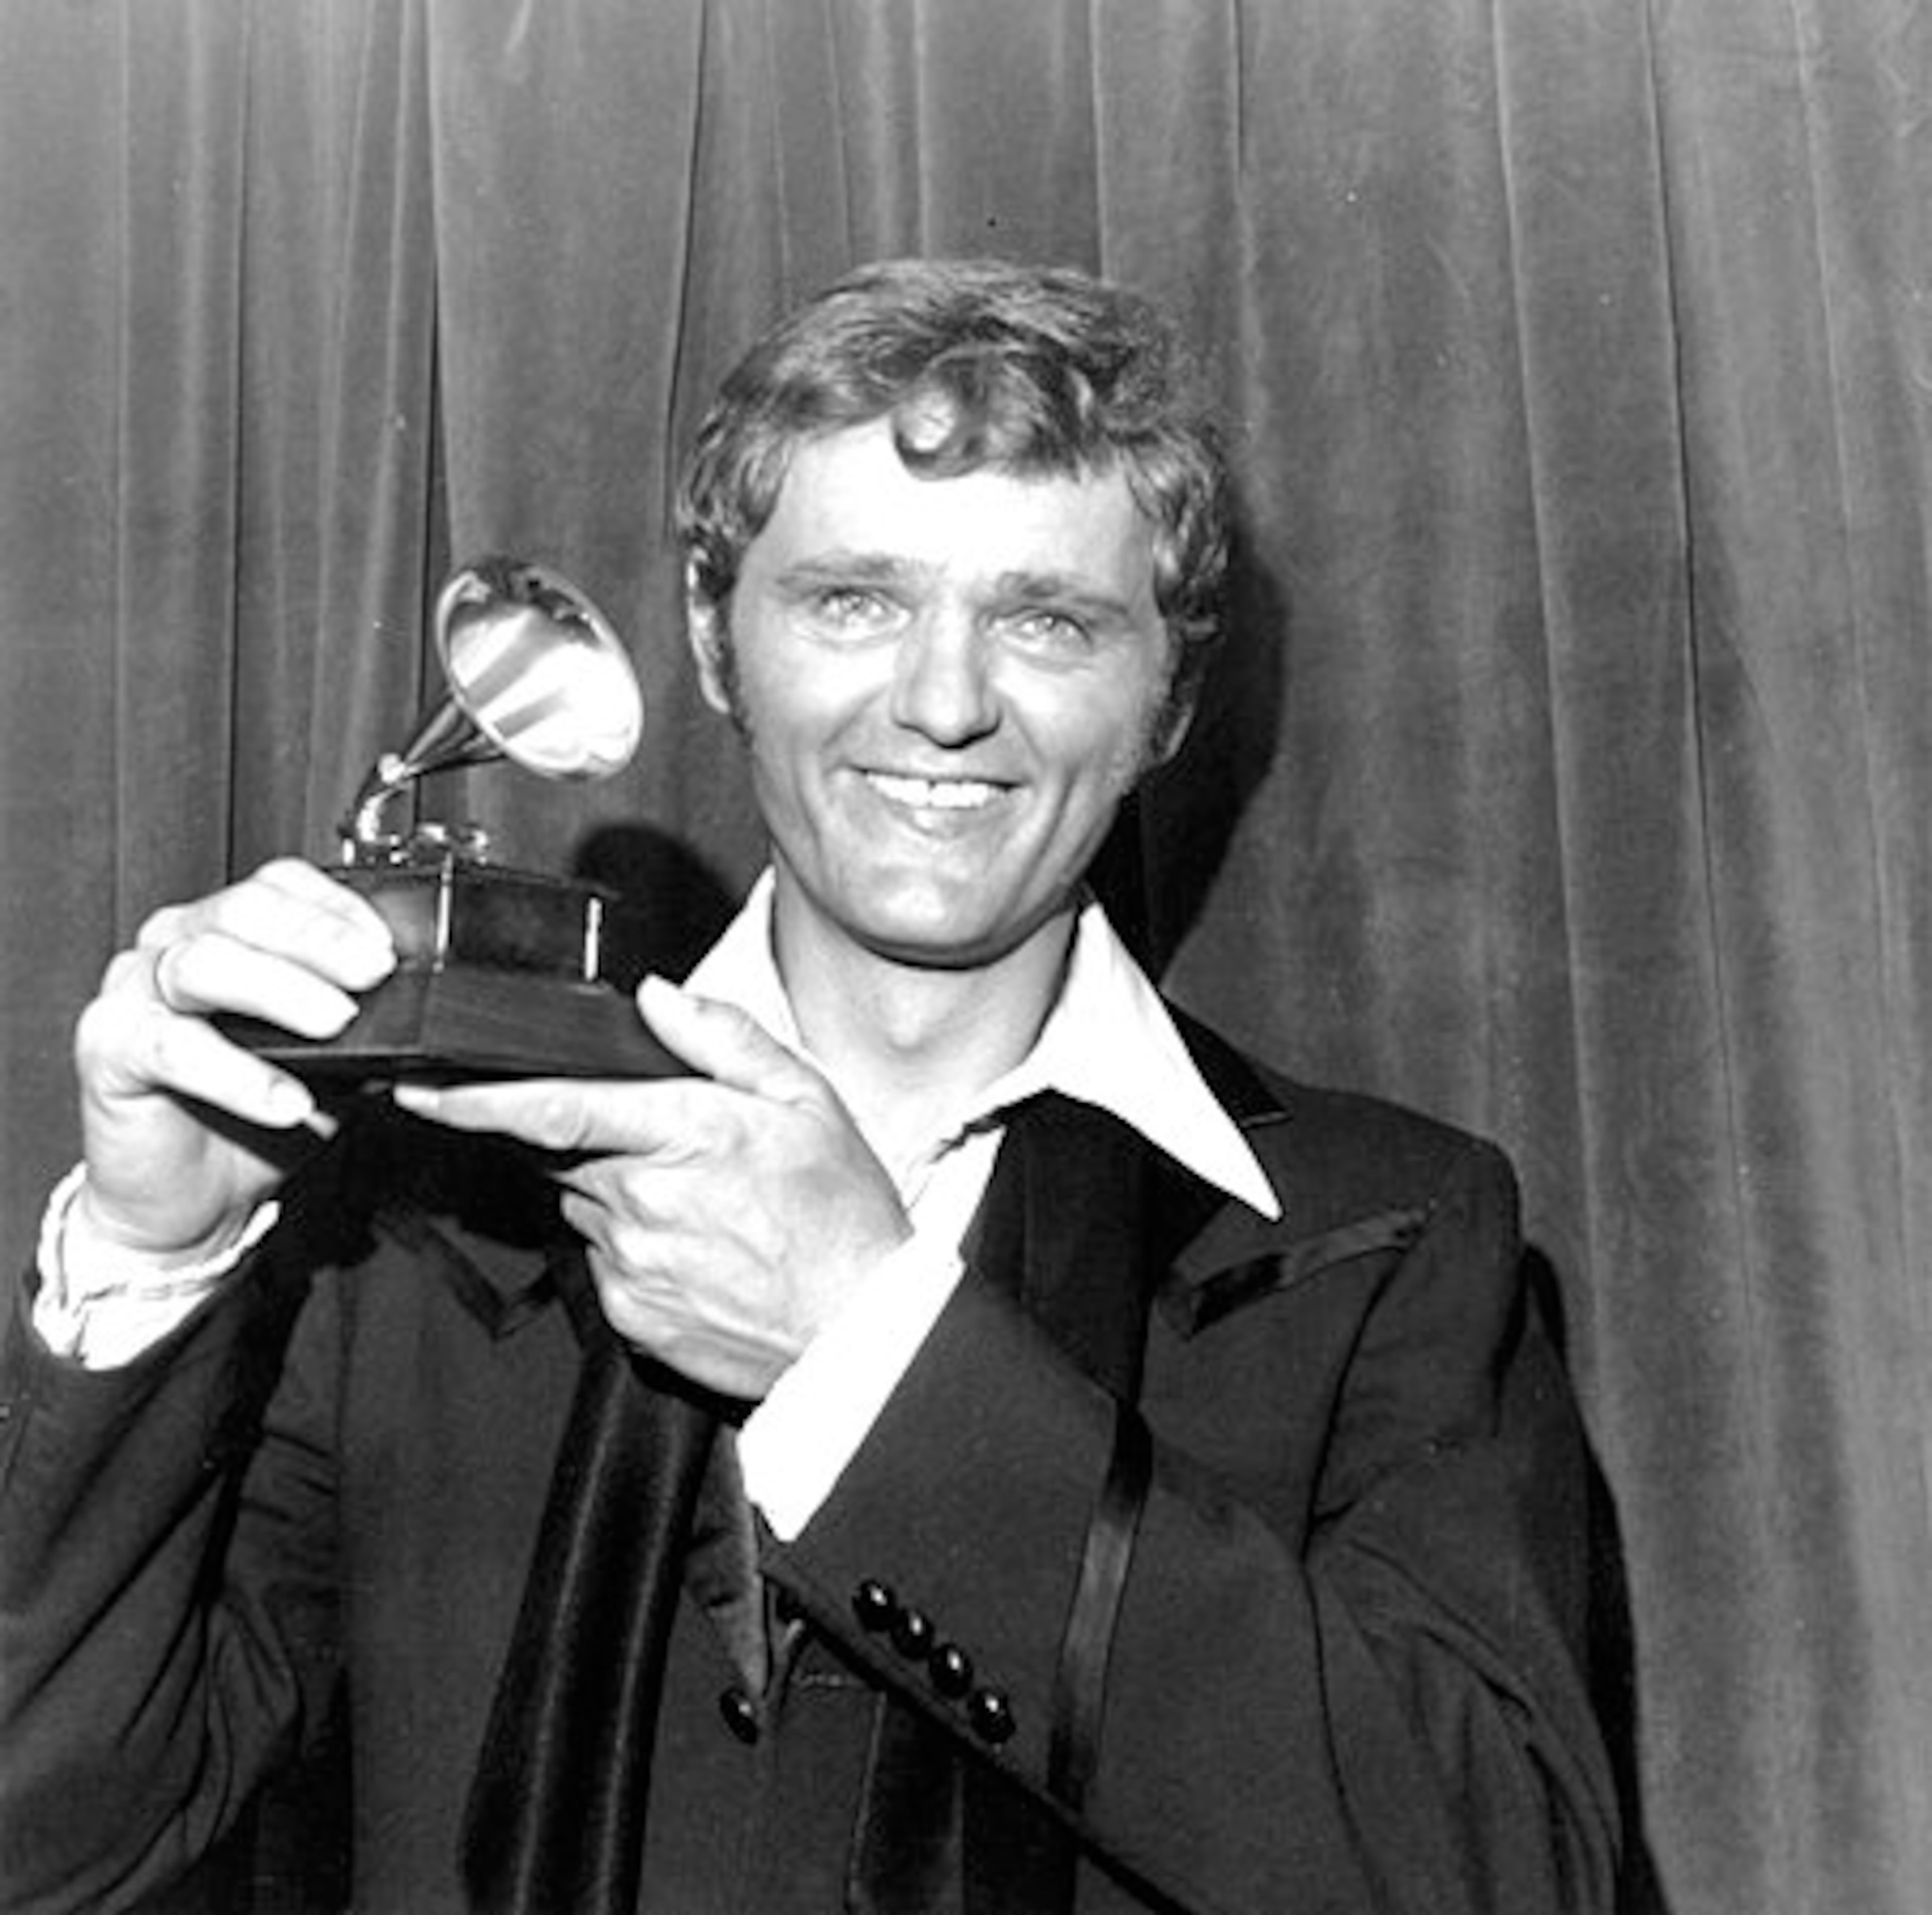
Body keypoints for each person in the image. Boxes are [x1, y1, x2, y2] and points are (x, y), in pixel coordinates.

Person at [0, 258, 1618, 1914]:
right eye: (854, 599)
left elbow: (1502, 1878)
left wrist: (873, 1351)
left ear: (1168, 702)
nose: (942, 702)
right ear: (717, 645)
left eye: (1047, 620)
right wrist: (151, 1256)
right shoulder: (412, 1205)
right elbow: (52, 1845)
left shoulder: (1392, 1238)